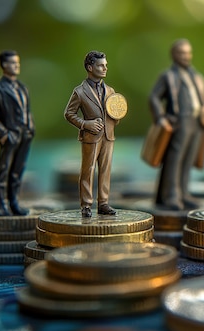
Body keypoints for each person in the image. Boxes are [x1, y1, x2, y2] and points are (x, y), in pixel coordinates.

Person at [148, 39, 204, 211]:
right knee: (174, 159)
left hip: (196, 122)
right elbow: (154, 97)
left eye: (188, 52)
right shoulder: (168, 76)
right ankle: (171, 196)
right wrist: (160, 117)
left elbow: (202, 99)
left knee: (188, 158)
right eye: (182, 53)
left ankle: (183, 193)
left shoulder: (195, 76)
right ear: (174, 55)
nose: (186, 56)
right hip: (179, 121)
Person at [64, 50, 119, 218]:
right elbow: (69, 113)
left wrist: (116, 117)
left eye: (106, 65)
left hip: (108, 136)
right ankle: (86, 205)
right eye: (101, 65)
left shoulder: (110, 91)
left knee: (105, 170)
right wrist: (85, 124)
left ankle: (103, 203)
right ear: (90, 67)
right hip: (90, 137)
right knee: (88, 170)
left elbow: (115, 112)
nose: (105, 68)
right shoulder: (80, 92)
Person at [0, 50, 34, 216]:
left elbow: (27, 111)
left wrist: (30, 128)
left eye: (17, 62)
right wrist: (2, 133)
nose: (17, 65)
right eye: (13, 62)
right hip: (10, 134)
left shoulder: (23, 88)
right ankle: (1, 205)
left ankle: (14, 202)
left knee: (18, 171)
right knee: (4, 171)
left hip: (25, 135)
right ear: (4, 65)